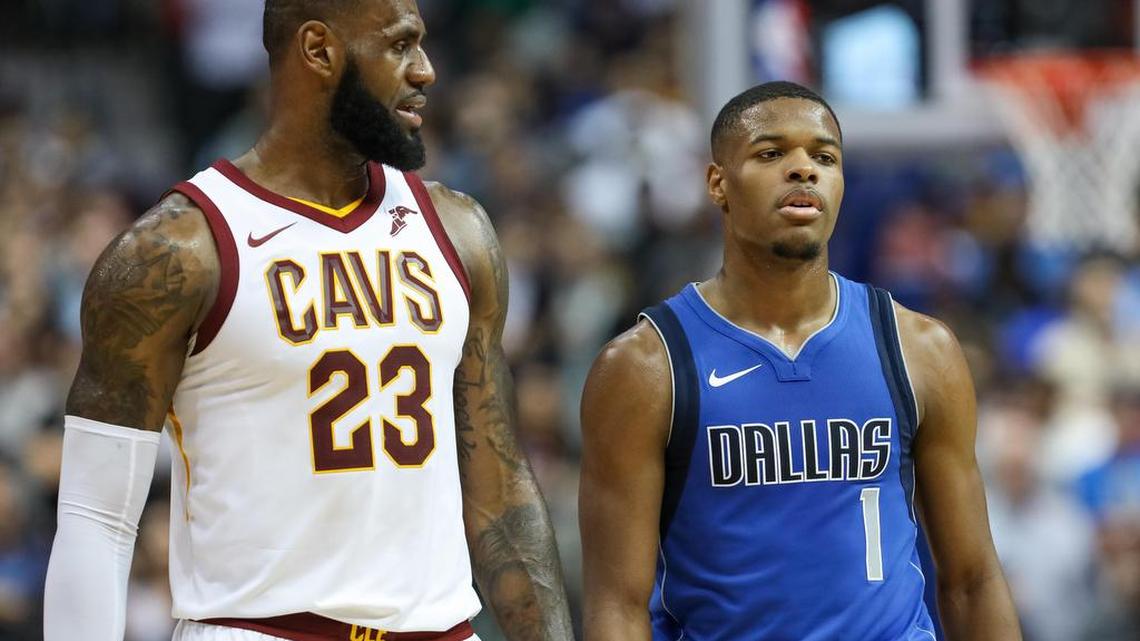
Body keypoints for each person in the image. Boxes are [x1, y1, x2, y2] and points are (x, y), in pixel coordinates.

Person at [42, 1, 573, 640]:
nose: (427, 71)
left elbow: (500, 486)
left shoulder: (458, 230)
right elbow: (96, 519)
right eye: (401, 45)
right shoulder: (177, 251)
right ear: (319, 50)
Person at [578, 81, 1022, 641]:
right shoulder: (645, 366)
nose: (803, 169)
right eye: (771, 154)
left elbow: (973, 578)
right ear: (718, 183)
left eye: (824, 157)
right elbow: (616, 606)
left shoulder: (920, 349)